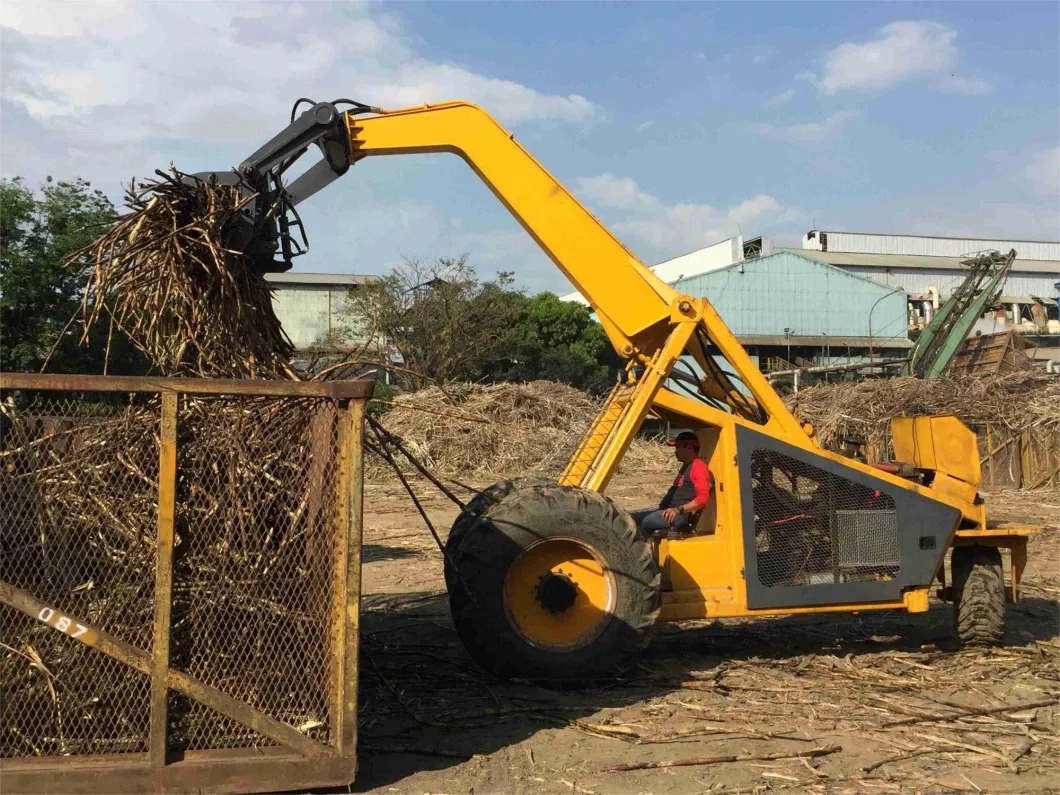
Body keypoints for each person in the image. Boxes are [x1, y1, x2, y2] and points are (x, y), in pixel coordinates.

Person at [631, 431, 711, 535]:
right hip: (669, 512)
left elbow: (703, 499)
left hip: (679, 516)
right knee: (630, 517)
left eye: (678, 447)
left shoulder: (698, 466)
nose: (675, 451)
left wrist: (679, 509)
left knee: (636, 522)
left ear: (689, 447)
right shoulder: (686, 466)